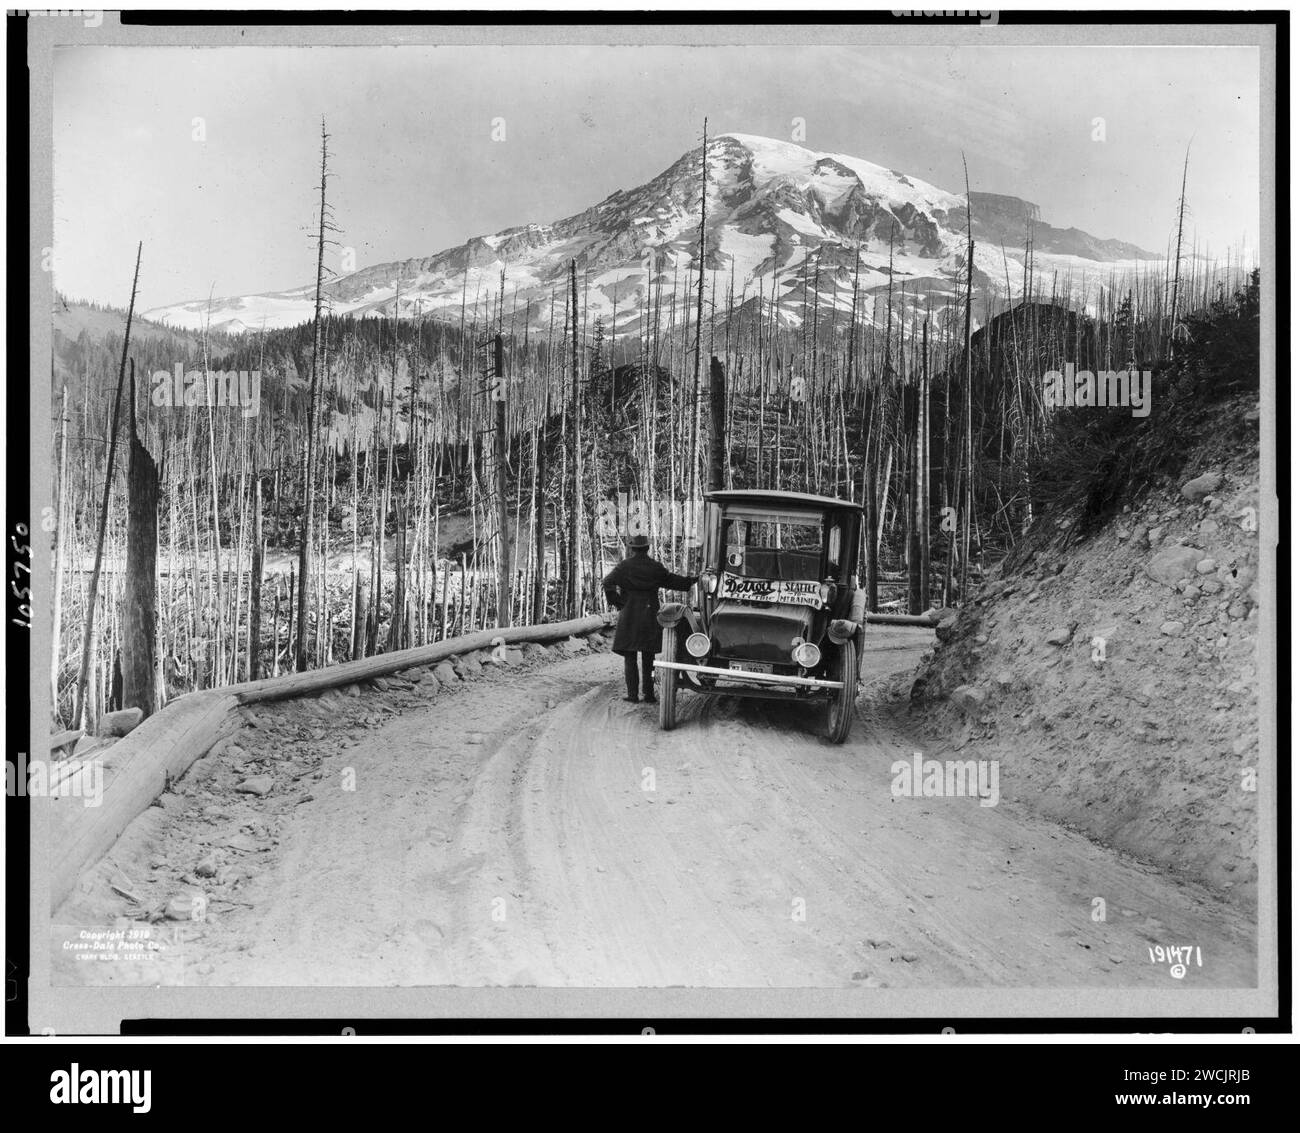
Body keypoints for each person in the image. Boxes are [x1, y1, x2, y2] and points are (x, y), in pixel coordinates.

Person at [602, 534, 697, 703]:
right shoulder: (655, 567)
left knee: (630, 657)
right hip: (649, 614)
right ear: (647, 548)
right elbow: (673, 581)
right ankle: (649, 694)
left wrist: (617, 602)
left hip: (629, 614)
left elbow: (607, 582)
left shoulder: (624, 567)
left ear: (632, 548)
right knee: (649, 657)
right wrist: (691, 581)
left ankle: (632, 695)